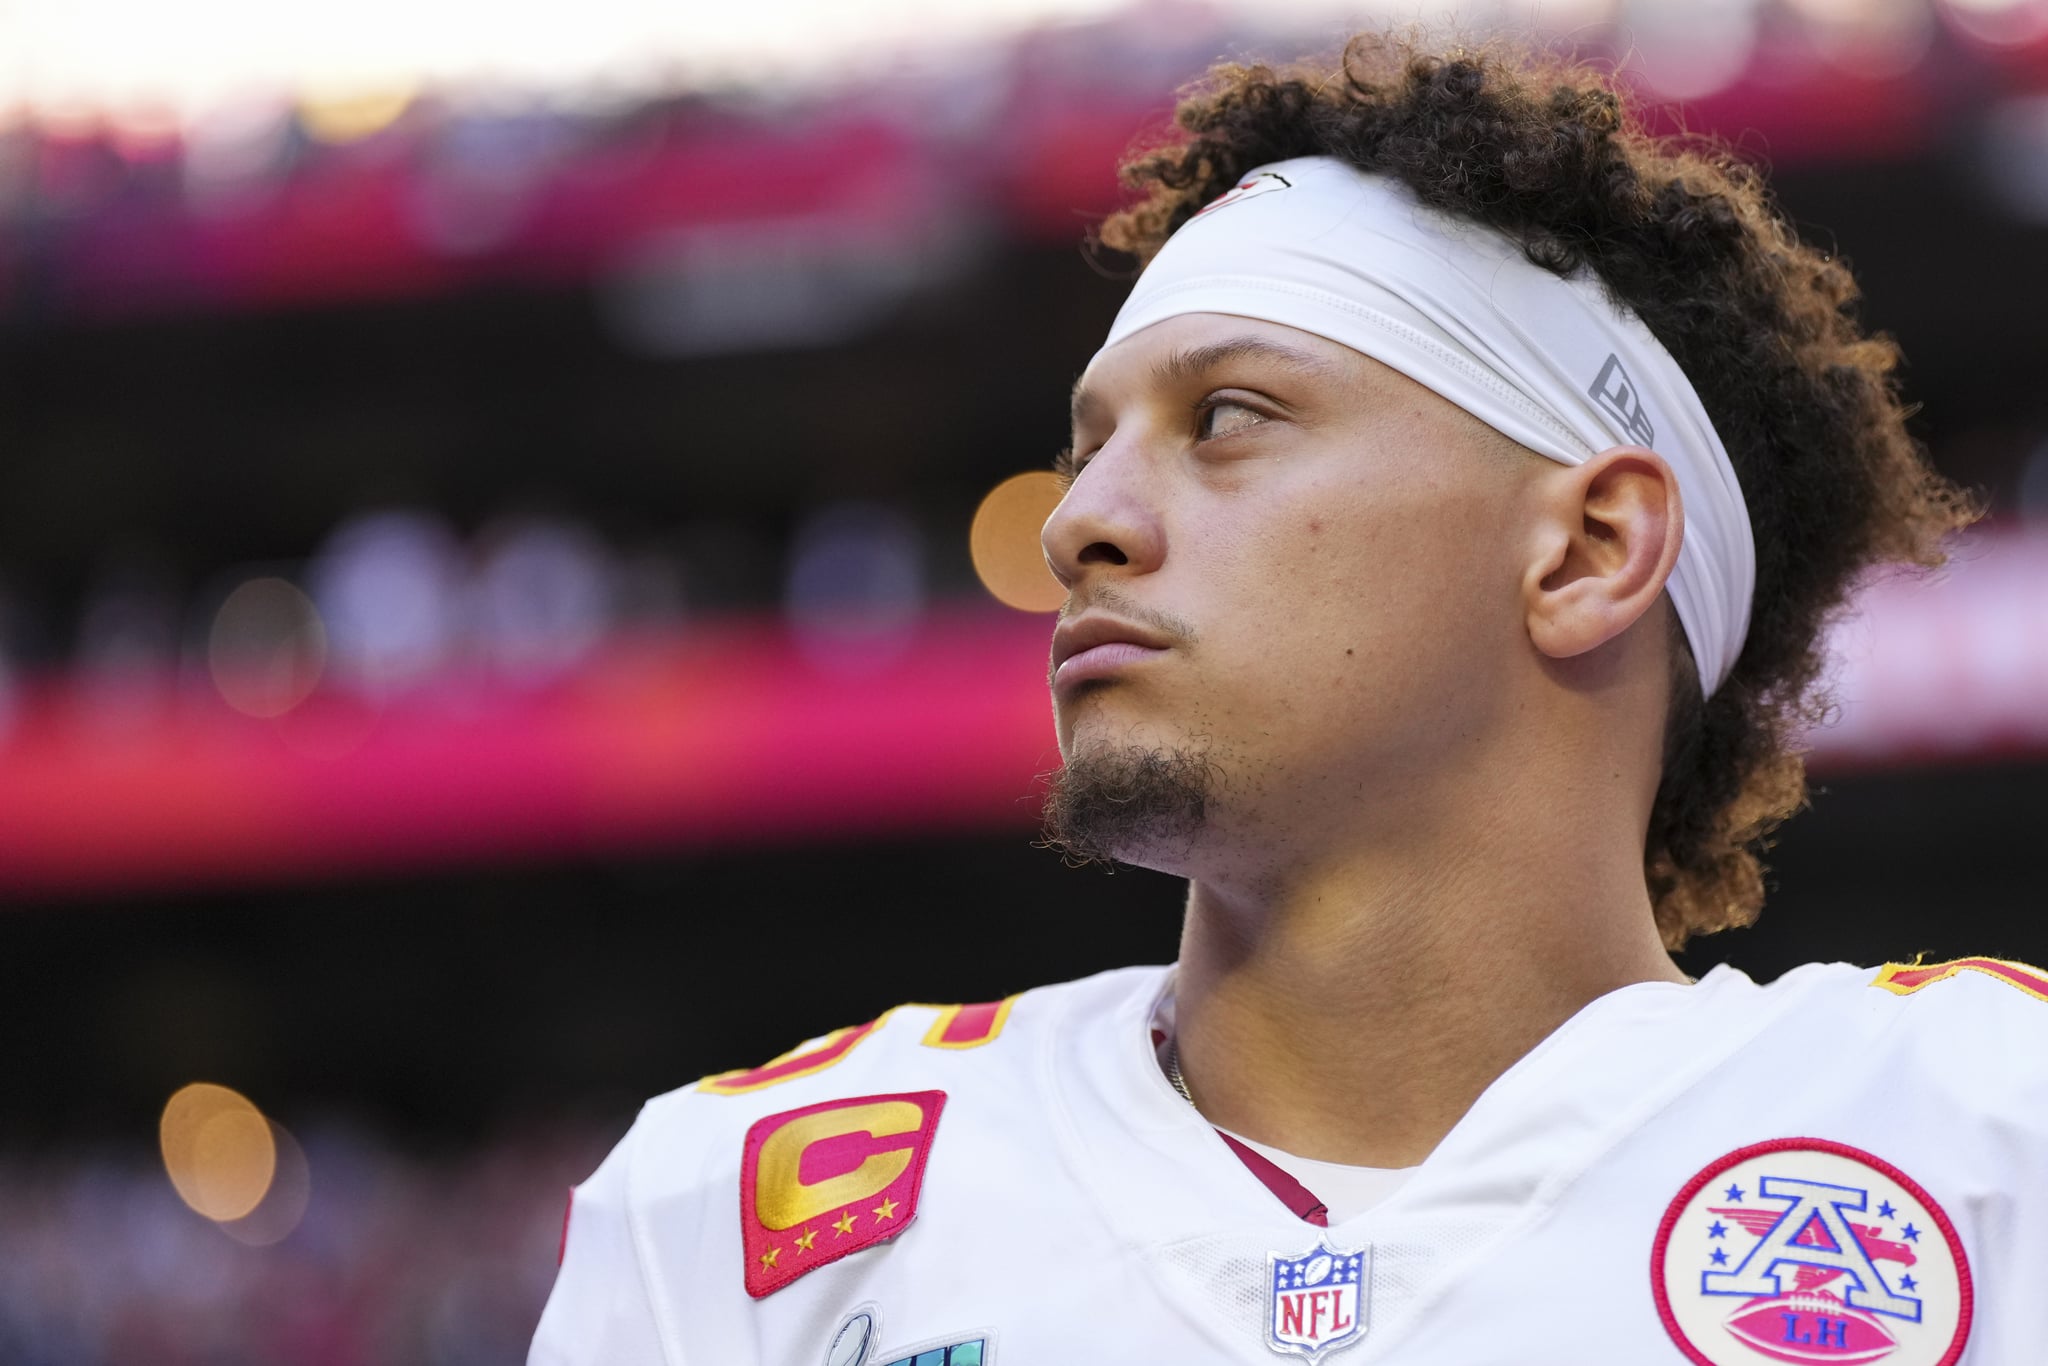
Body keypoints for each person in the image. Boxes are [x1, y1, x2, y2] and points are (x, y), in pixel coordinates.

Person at [529, 30, 2040, 1366]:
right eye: (1088, 448)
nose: (1078, 525)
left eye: (1229, 418)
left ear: (1587, 548)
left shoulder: (1991, 1137)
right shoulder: (729, 1209)